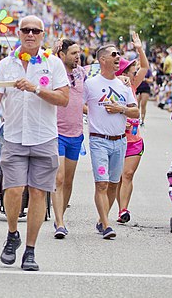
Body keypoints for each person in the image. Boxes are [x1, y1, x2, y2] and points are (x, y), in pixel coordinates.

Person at [0, 15, 69, 271]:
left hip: (44, 137)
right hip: (14, 136)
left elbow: (63, 99)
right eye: (25, 30)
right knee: (14, 190)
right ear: (18, 33)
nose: (30, 34)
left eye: (35, 31)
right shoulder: (6, 64)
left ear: (42, 34)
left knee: (38, 192)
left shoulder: (54, 64)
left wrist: (36, 88)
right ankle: (12, 233)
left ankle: (30, 250)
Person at [83, 44, 140, 241]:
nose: (118, 58)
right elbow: (79, 104)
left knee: (114, 185)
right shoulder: (90, 84)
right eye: (114, 54)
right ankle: (106, 225)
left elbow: (136, 111)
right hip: (99, 141)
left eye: (119, 55)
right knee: (102, 184)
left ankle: (102, 218)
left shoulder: (123, 85)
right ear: (102, 60)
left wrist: (120, 108)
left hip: (120, 142)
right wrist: (93, 112)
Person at [114, 34, 149, 225]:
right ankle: (120, 208)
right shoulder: (110, 87)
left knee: (127, 174)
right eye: (130, 71)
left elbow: (144, 67)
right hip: (116, 138)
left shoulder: (133, 86)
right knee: (118, 178)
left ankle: (123, 210)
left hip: (134, 140)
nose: (134, 74)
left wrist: (139, 48)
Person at [52, 39, 84, 239]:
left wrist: (124, 79)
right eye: (72, 53)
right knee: (59, 178)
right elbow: (40, 63)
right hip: (56, 133)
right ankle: (60, 223)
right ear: (62, 55)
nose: (77, 56)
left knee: (69, 180)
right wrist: (51, 51)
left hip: (76, 133)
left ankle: (59, 217)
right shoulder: (54, 71)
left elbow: (106, 74)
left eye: (78, 52)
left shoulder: (83, 73)